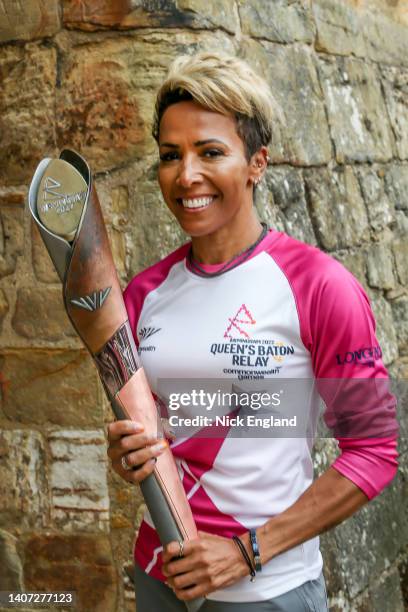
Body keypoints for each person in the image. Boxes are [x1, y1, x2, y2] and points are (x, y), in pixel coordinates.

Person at [107, 52, 398, 611]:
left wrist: (246, 553)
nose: (186, 174)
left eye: (210, 151)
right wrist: (129, 456)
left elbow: (375, 449)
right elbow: (161, 433)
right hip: (159, 574)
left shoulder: (317, 285)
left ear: (256, 163)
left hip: (266, 589)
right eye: (171, 155)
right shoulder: (142, 294)